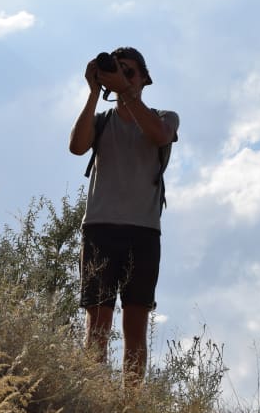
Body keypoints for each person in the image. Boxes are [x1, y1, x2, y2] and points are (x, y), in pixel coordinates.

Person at [68, 47, 179, 385]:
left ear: (145, 79)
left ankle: (131, 408)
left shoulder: (165, 117)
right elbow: (76, 146)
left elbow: (159, 136)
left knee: (135, 324)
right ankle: (95, 395)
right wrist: (93, 93)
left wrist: (127, 93)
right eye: (118, 71)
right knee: (97, 322)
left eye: (130, 72)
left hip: (143, 233)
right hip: (99, 229)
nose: (123, 77)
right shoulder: (101, 121)